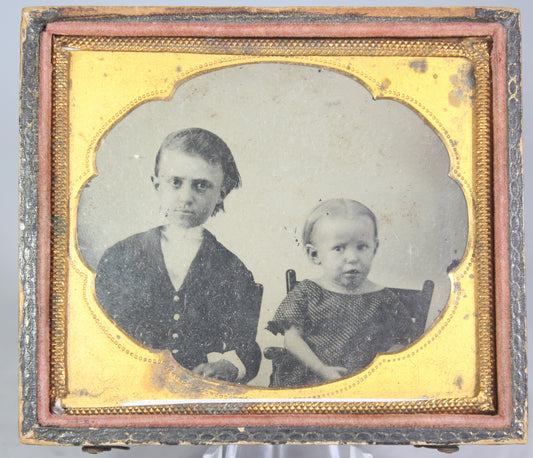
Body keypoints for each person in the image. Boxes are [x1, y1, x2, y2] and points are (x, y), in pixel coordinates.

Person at [96, 128, 262, 383]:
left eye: (201, 185)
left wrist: (229, 366)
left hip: (195, 393)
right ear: (157, 184)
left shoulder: (232, 269)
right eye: (176, 182)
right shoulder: (119, 257)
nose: (186, 198)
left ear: (221, 193)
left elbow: (247, 347)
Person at [267, 199, 418, 387]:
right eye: (339, 248)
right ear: (315, 255)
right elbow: (292, 339)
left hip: (365, 385)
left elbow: (403, 341)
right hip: (310, 379)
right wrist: (322, 369)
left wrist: (377, 371)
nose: (352, 258)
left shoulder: (384, 299)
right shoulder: (307, 292)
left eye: (362, 247)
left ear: (375, 248)